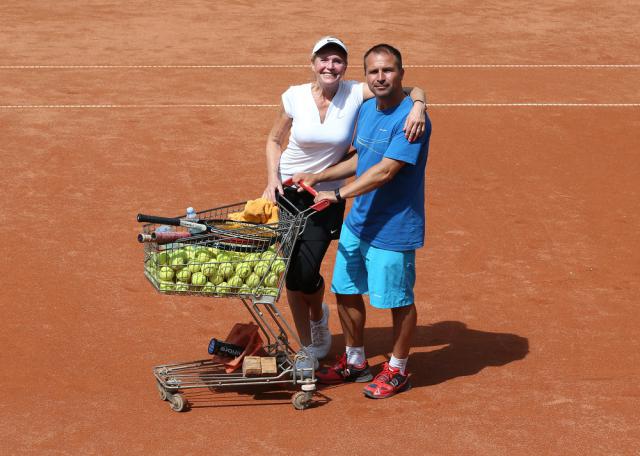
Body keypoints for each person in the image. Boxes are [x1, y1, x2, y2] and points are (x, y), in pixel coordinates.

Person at [262, 37, 428, 369]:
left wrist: (420, 103)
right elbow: (276, 139)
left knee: (312, 272)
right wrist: (283, 179)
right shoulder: (307, 98)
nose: (329, 66)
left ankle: (388, 363)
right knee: (302, 275)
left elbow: (405, 93)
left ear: (345, 68)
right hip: (297, 190)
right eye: (323, 59)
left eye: (337, 60)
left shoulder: (363, 98)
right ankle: (317, 350)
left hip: (340, 199)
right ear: (312, 63)